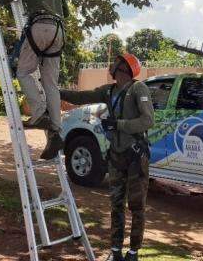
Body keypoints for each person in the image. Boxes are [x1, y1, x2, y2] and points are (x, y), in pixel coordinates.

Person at [60, 53, 153, 261]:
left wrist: (119, 125)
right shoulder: (109, 91)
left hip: (136, 156)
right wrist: (58, 93)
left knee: (137, 205)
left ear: (124, 68)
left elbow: (147, 121)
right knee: (116, 204)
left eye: (115, 63)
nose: (111, 65)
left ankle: (134, 252)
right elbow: (83, 97)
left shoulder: (138, 89)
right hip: (117, 154)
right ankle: (116, 250)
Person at [0, 0, 68, 160]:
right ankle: (55, 131)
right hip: (59, 31)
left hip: (40, 27)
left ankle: (39, 113)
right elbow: (66, 12)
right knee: (51, 83)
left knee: (24, 72)